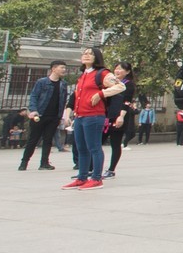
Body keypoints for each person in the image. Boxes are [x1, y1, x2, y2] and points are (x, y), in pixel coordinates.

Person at [62, 47, 125, 190]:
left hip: (94, 116)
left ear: (97, 57)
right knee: (81, 148)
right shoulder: (83, 74)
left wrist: (101, 94)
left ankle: (96, 178)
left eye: (90, 54)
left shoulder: (102, 74)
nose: (86, 56)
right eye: (84, 53)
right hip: (80, 116)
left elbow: (120, 86)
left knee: (94, 147)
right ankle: (82, 177)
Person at [18, 60, 69, 171]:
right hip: (40, 115)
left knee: (48, 140)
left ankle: (44, 163)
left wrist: (62, 117)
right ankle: (24, 162)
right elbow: (34, 96)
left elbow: (64, 100)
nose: (64, 70)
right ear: (53, 69)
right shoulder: (42, 82)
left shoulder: (63, 84)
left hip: (54, 117)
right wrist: (33, 110)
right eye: (62, 67)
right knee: (33, 140)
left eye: (65, 68)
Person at [103, 61, 135, 178]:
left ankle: (111, 169)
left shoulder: (129, 84)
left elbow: (127, 102)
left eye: (121, 69)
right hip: (106, 116)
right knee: (98, 142)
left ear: (127, 72)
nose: (117, 71)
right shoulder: (110, 83)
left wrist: (121, 117)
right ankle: (92, 168)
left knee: (115, 144)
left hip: (119, 117)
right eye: (116, 68)